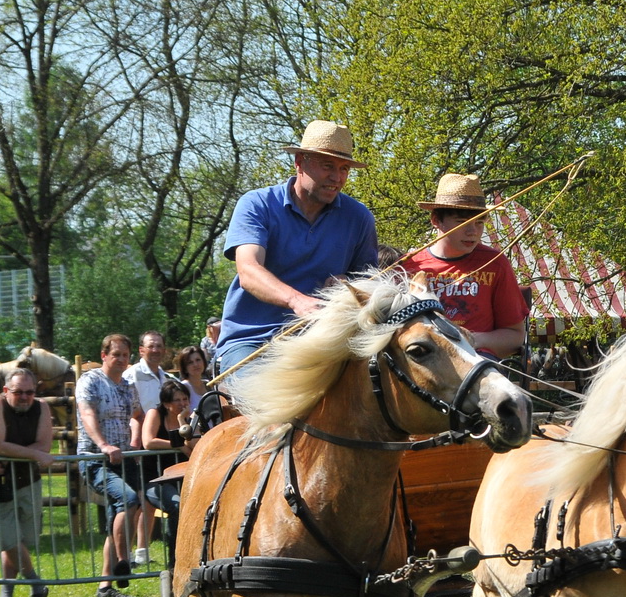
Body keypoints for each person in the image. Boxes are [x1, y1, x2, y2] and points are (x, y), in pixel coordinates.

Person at [215, 121, 379, 374]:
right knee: (268, 407)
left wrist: (346, 287)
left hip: (326, 342)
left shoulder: (359, 217)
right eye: (328, 166)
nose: (337, 177)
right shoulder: (257, 204)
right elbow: (248, 270)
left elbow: (369, 285)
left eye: (344, 168)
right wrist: (297, 301)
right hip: (253, 341)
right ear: (300, 162)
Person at [399, 173, 527, 358]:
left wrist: (473, 340)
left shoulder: (495, 263)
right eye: (462, 223)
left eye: (480, 223)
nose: (473, 232)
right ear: (436, 220)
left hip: (479, 362)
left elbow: (515, 335)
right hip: (423, 362)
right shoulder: (408, 266)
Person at [0, 368, 53, 597]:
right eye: (18, 392)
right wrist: (33, 454)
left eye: (29, 392)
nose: (24, 397)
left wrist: (26, 453)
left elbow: (45, 444)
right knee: (9, 538)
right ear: (5, 390)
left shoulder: (42, 407)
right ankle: (35, 583)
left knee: (20, 540)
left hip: (28, 481)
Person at [76, 334, 141, 597]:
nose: (121, 360)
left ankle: (105, 586)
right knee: (128, 499)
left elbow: (137, 416)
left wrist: (135, 439)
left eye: (125, 355)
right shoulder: (90, 380)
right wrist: (103, 444)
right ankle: (123, 563)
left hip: (123, 458)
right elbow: (87, 414)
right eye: (116, 354)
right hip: (95, 458)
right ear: (104, 355)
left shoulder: (128, 386)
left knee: (118, 514)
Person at [125, 330, 169, 567]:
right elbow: (131, 412)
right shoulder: (131, 375)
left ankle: (142, 551)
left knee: (150, 500)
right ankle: (128, 551)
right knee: (137, 500)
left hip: (159, 446)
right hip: (139, 445)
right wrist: (135, 440)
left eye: (159, 346)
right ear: (141, 350)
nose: (155, 350)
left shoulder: (167, 378)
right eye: (150, 346)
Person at [141, 380, 196, 523]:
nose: (182, 403)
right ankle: (174, 545)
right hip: (156, 479)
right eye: (177, 400)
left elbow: (192, 449)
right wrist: (177, 445)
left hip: (180, 477)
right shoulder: (155, 414)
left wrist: (181, 421)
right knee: (176, 506)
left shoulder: (188, 420)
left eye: (185, 399)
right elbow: (148, 442)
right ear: (166, 404)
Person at [174, 345, 210, 410]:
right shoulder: (182, 388)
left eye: (198, 360)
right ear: (185, 368)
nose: (195, 365)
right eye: (190, 362)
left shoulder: (209, 385)